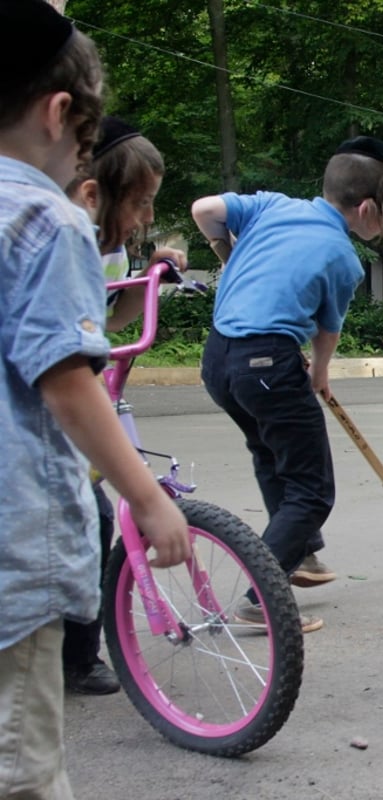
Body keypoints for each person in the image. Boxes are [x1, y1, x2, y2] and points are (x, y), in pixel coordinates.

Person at [0, 3, 190, 796]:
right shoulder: (45, 217)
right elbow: (67, 380)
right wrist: (146, 499)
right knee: (23, 771)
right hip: (11, 545)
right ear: (59, 112)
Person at [192, 135, 383, 632]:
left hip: (218, 362)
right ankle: (259, 599)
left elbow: (205, 209)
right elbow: (326, 330)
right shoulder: (343, 258)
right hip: (267, 365)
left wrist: (228, 254)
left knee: (272, 455)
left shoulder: (271, 207)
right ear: (369, 207)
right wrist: (320, 372)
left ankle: (300, 554)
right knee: (312, 491)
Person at [59, 116, 188, 696]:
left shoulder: (106, 249)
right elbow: (66, 373)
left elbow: (108, 323)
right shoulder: (57, 243)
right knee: (89, 513)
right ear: (94, 192)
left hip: (67, 427)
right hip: (48, 424)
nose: (146, 217)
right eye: (140, 202)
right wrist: (143, 494)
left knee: (90, 520)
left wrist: (147, 280)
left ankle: (78, 656)